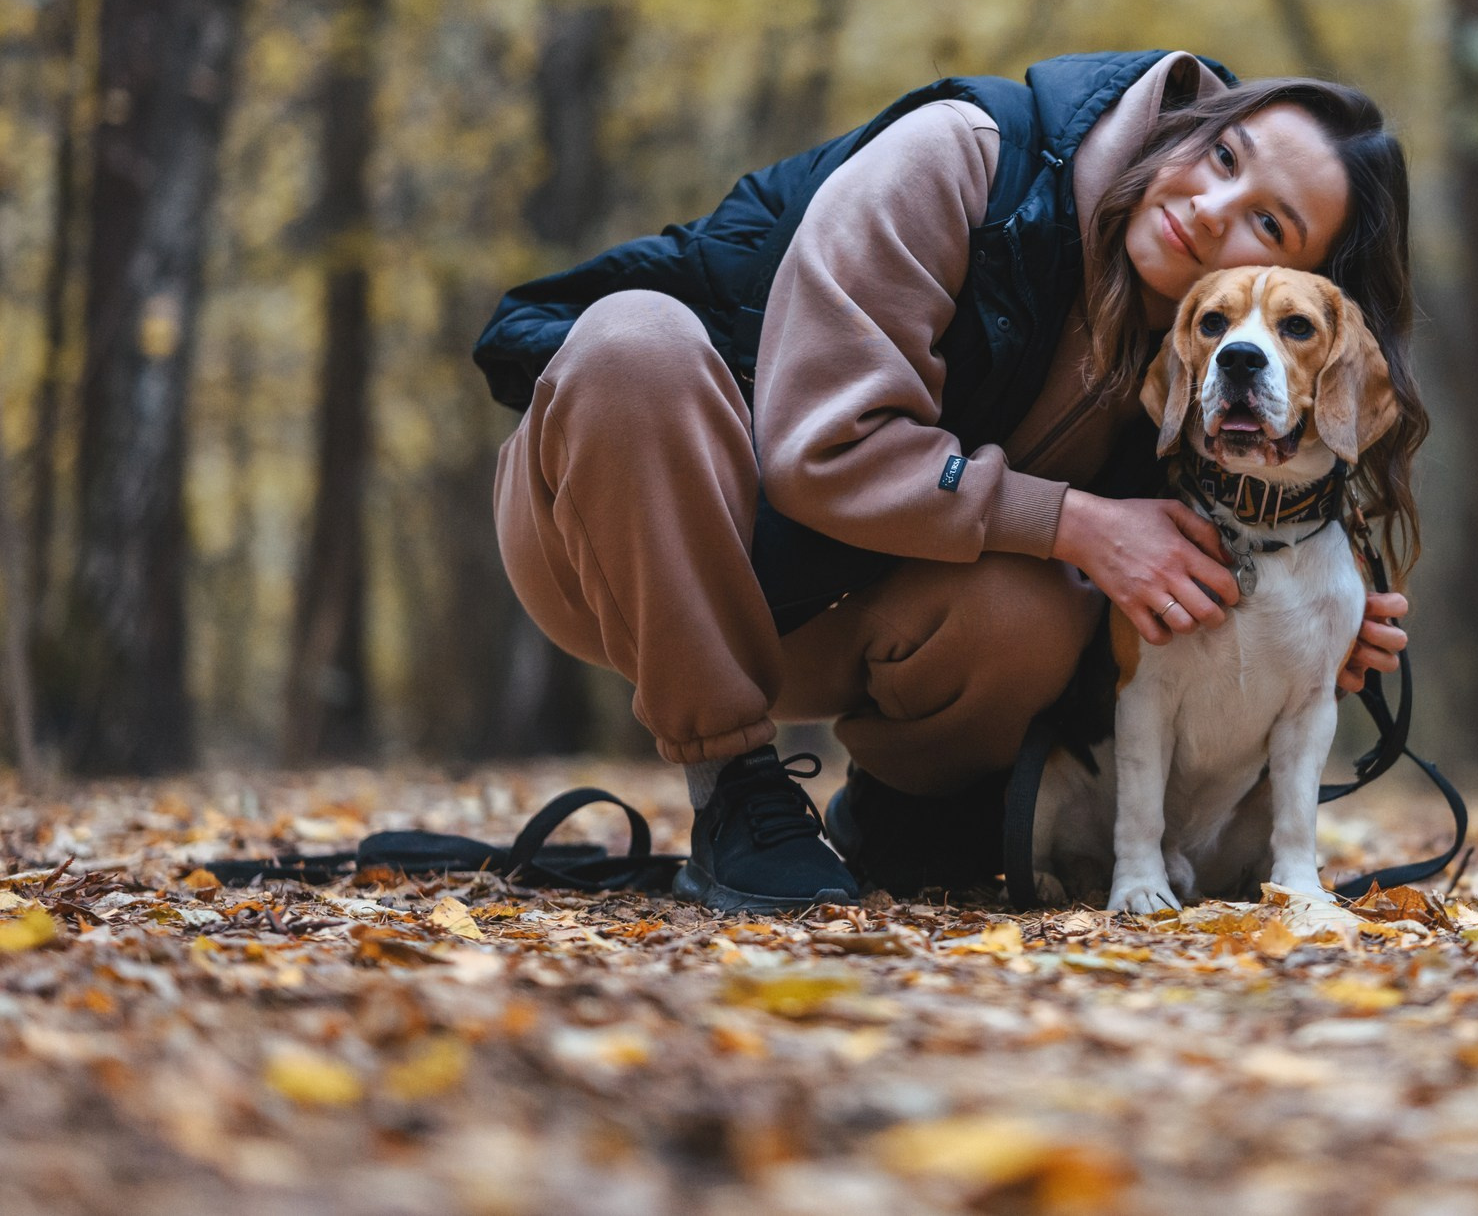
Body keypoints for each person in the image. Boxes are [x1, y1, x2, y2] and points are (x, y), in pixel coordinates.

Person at [485, 50, 1428, 910]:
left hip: (841, 606)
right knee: (632, 343)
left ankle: (902, 818)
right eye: (1224, 157)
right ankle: (733, 791)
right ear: (1188, 127)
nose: (1213, 209)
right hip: (624, 543)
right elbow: (825, 452)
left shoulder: (1200, 360)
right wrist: (1072, 520)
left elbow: (1143, 616)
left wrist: (1300, 643)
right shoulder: (963, 158)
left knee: (1039, 608)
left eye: (1268, 222)